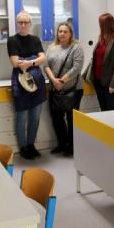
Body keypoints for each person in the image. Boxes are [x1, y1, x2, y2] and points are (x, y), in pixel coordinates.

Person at [8, 11, 46, 159]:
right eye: (20, 22)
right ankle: (23, 147)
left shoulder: (35, 39)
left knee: (35, 118)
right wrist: (35, 59)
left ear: (30, 24)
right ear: (17, 24)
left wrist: (28, 62)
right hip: (20, 82)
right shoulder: (12, 40)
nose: (23, 25)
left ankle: (31, 145)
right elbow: (14, 62)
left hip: (37, 82)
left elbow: (43, 58)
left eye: (26, 22)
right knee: (22, 117)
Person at [44, 22, 84, 157]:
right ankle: (62, 144)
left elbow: (77, 67)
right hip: (55, 89)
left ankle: (71, 146)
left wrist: (61, 81)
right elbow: (46, 66)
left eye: (65, 31)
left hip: (73, 90)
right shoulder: (51, 47)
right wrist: (54, 81)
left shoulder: (76, 48)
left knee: (72, 119)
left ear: (70, 34)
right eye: (60, 31)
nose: (62, 34)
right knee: (56, 118)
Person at [84, 13, 114, 111]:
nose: (100, 26)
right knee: (103, 110)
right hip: (98, 81)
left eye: (101, 24)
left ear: (108, 25)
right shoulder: (101, 39)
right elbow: (94, 59)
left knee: (111, 111)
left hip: (109, 83)